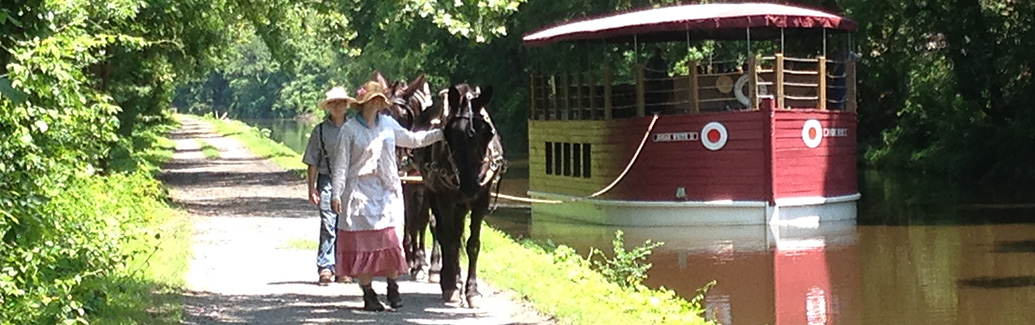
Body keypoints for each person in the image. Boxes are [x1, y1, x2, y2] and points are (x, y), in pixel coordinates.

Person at [330, 80, 444, 311]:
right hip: (359, 193)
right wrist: (336, 194)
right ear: (363, 104)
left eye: (381, 100)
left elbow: (413, 140)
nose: (378, 104)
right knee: (362, 245)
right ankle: (369, 293)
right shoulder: (349, 130)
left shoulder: (388, 124)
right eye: (374, 100)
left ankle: (393, 286)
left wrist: (441, 133)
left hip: (386, 192)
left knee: (390, 240)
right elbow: (341, 165)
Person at [303, 86, 352, 285]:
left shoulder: (354, 128)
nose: (338, 106)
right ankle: (326, 266)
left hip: (350, 183)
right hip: (327, 180)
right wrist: (311, 188)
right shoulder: (320, 130)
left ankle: (344, 267)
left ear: (347, 105)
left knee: (346, 224)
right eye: (334, 103)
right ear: (328, 107)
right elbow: (312, 161)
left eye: (341, 103)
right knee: (328, 223)